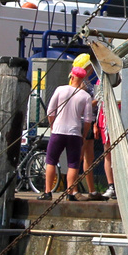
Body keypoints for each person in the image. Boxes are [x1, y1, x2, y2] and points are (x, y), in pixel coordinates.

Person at [44, 66, 94, 199]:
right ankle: (70, 192)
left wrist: (52, 125)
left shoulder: (60, 89)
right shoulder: (86, 96)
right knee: (73, 163)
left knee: (51, 161)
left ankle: (48, 192)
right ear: (82, 79)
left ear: (71, 77)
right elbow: (88, 119)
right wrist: (84, 134)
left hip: (58, 130)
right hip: (75, 132)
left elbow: (50, 111)